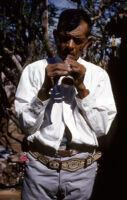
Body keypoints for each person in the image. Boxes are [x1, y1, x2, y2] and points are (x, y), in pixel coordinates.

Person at [15, 9, 117, 200]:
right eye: (64, 38)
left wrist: (82, 89)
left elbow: (102, 128)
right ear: (55, 36)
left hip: (82, 171)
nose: (70, 46)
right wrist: (44, 91)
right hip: (40, 169)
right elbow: (26, 127)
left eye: (78, 41)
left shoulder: (99, 76)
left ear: (88, 43)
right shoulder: (34, 71)